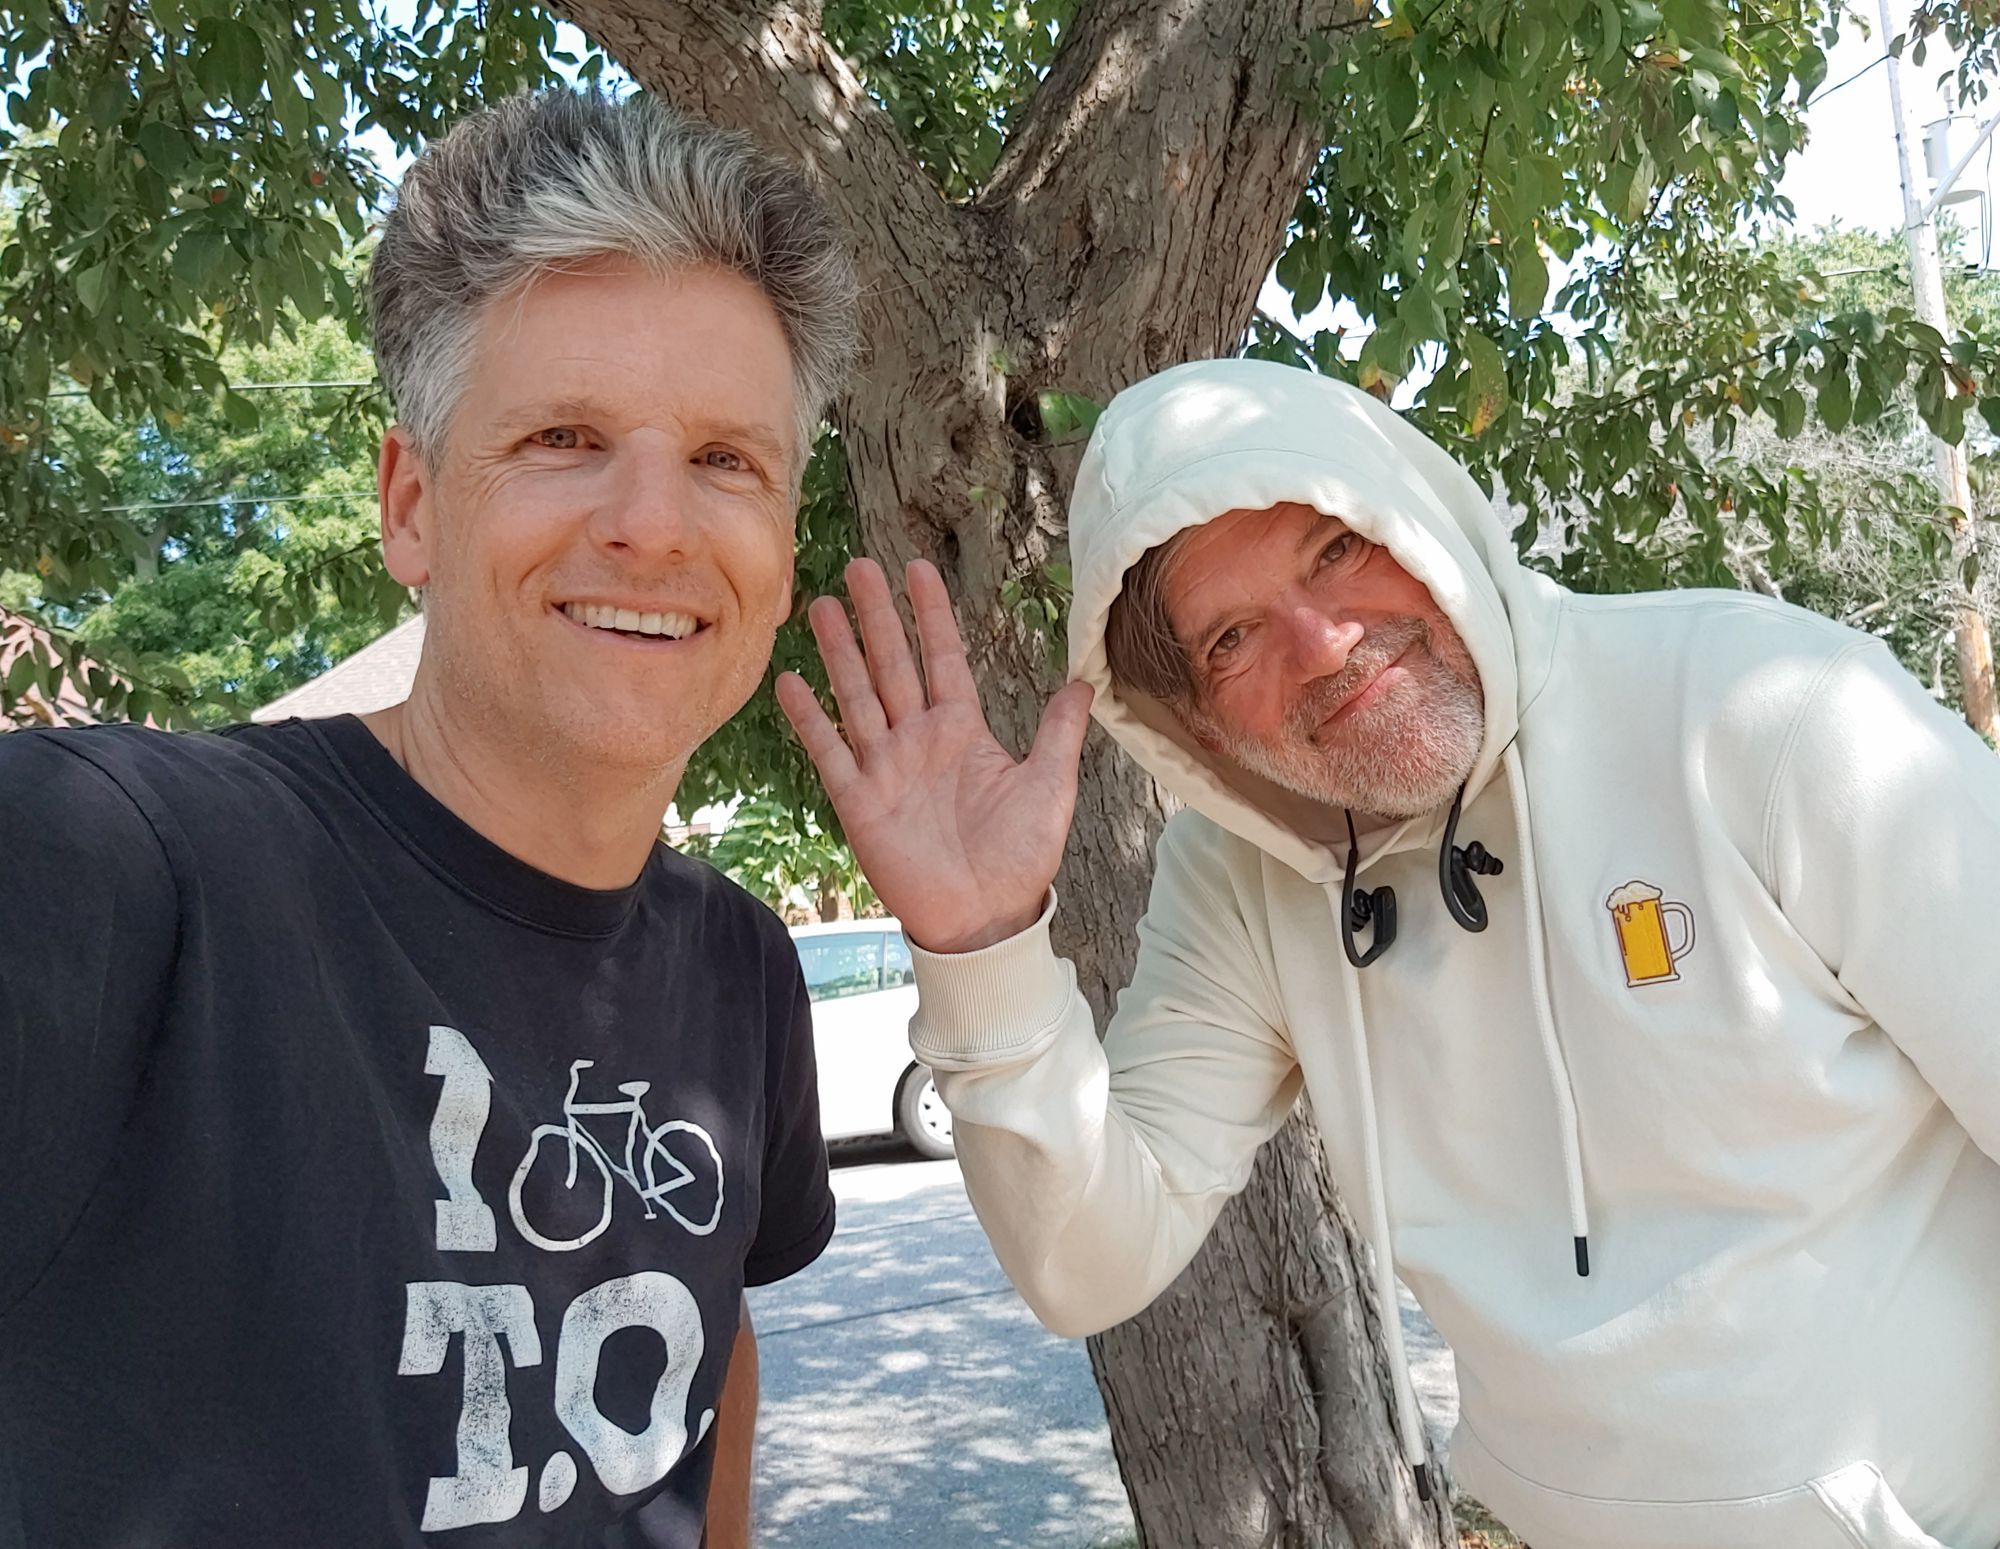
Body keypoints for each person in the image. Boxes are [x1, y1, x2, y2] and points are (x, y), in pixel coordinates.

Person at [778, 357, 2000, 1549]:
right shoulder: (1238, 879)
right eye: (1230, 637)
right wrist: (980, 943)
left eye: (1333, 548)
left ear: (1416, 513)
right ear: (1193, 726)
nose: (1322, 643)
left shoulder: (1768, 713)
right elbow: (1086, 1261)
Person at [0, 90, 857, 1548]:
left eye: (728, 460)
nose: (654, 522)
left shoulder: (742, 966)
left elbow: (711, 1345)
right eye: (566, 436)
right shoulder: (121, 869)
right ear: (412, 504)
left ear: (780, 543)